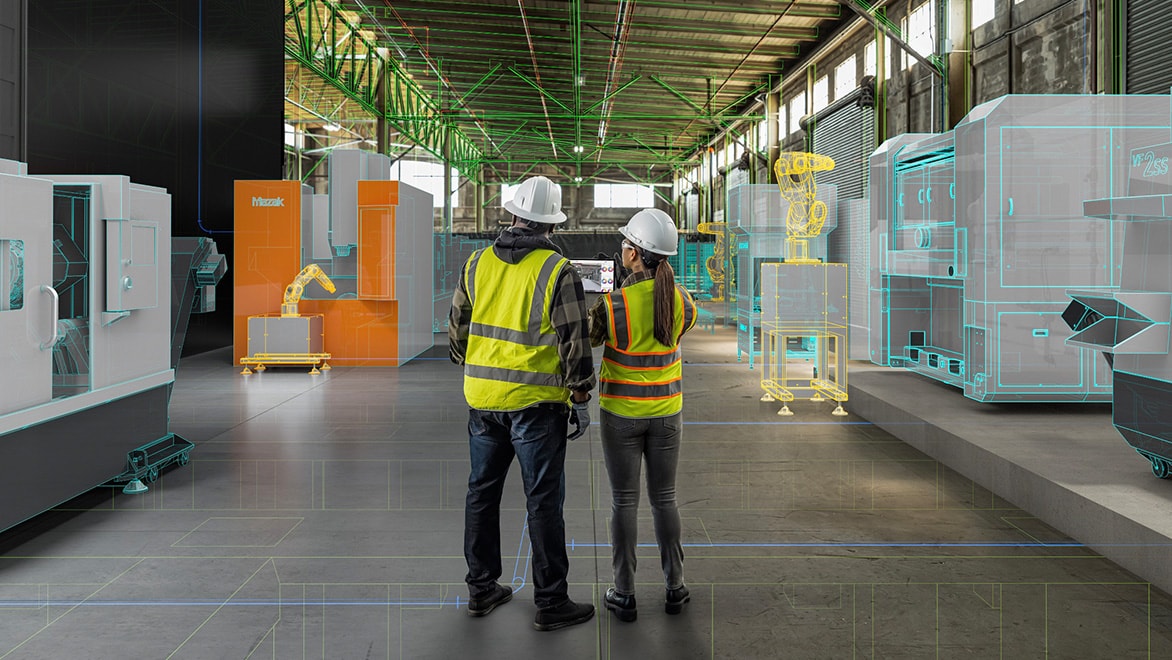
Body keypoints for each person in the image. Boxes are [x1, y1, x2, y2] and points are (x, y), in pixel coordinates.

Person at [449, 174, 597, 632]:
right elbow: (575, 340)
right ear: (550, 224)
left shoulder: (475, 264)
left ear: (511, 215)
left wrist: (475, 364)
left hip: (483, 401)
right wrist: (580, 395)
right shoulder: (558, 270)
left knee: (481, 494)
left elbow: (458, 331)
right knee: (543, 502)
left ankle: (481, 588)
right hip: (537, 407)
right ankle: (551, 602)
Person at [587, 208, 698, 622]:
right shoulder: (684, 301)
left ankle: (625, 592)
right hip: (668, 413)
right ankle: (675, 586)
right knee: (665, 499)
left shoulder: (613, 306)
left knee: (624, 502)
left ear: (634, 254)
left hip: (621, 416)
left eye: (624, 245)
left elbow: (591, 336)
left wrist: (609, 295)